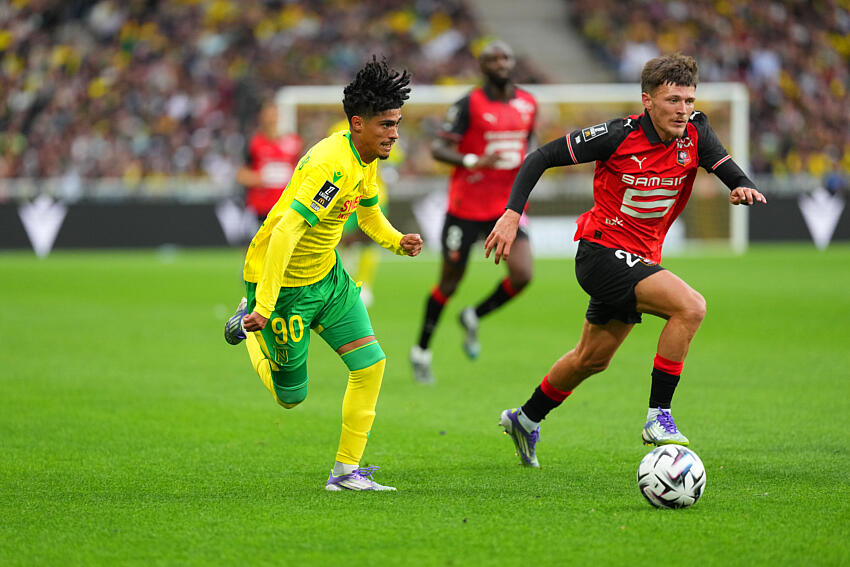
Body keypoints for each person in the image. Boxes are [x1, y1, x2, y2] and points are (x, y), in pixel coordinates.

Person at [484, 53, 766, 467]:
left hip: (639, 258)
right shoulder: (616, 136)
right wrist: (511, 215)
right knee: (690, 307)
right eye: (673, 100)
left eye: (689, 100)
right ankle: (659, 417)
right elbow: (539, 158)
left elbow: (726, 167)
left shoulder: (696, 132)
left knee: (591, 359)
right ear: (647, 100)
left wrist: (742, 185)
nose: (683, 110)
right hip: (600, 253)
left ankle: (524, 419)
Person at [223, 57, 423, 490]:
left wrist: (397, 240)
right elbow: (285, 232)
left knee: (370, 364)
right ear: (357, 123)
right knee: (291, 397)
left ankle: (345, 473)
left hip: (328, 278)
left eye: (396, 124)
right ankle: (246, 324)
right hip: (284, 287)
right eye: (387, 125)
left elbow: (368, 215)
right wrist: (264, 305)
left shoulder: (367, 158)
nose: (394, 133)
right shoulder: (330, 165)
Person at [410, 40, 537, 384]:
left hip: (507, 207)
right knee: (449, 283)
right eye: (493, 59)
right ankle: (421, 351)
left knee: (523, 274)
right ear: (482, 66)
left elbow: (530, 145)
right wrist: (472, 160)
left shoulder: (528, 103)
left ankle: (473, 316)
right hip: (465, 208)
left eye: (506, 57)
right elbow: (439, 148)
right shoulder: (467, 104)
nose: (501, 63)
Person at [236, 99, 303, 224]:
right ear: (261, 117)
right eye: (268, 114)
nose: (272, 118)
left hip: (287, 207)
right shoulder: (254, 143)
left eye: (274, 114)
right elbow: (241, 175)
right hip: (262, 208)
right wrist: (263, 178)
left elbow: (302, 170)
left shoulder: (294, 142)